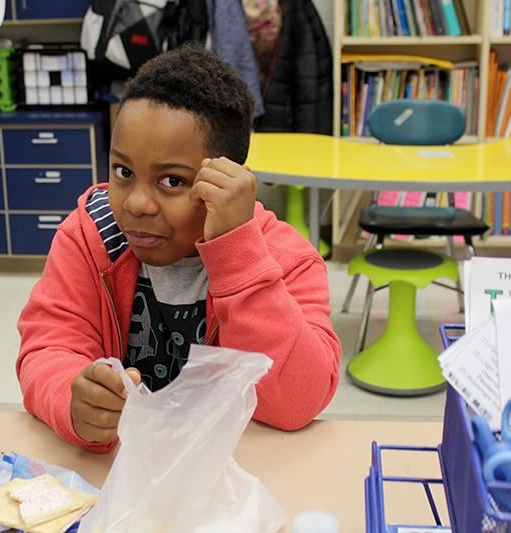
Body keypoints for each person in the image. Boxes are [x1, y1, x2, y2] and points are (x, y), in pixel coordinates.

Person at [17, 45, 340, 453]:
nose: (136, 203)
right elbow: (49, 346)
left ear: (228, 182)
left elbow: (299, 403)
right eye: (123, 172)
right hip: (119, 476)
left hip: (227, 474)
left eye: (172, 181)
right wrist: (71, 397)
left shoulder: (284, 258)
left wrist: (237, 253)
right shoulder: (91, 236)